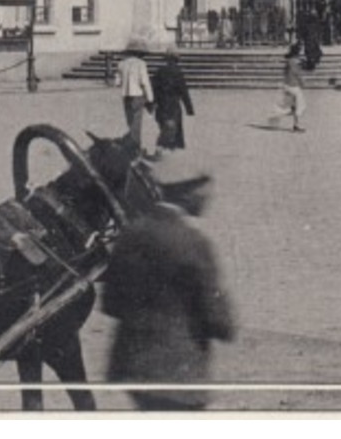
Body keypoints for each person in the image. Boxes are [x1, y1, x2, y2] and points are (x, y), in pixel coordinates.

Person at [102, 167, 235, 411]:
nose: (209, 197)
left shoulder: (131, 233)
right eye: (204, 189)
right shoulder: (194, 243)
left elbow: (111, 304)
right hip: (178, 375)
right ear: (188, 193)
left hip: (133, 368)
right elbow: (220, 322)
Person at [151, 49, 195, 152]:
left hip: (161, 103)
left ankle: (165, 146)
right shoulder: (178, 72)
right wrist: (189, 108)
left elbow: (154, 88)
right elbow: (184, 91)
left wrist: (151, 104)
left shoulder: (159, 71)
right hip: (174, 103)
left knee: (163, 124)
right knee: (174, 125)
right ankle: (169, 146)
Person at [116, 50, 155, 156]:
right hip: (137, 95)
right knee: (136, 124)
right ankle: (135, 149)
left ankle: (131, 147)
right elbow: (145, 82)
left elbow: (117, 82)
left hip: (126, 96)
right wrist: (150, 99)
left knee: (130, 122)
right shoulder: (141, 64)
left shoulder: (121, 64)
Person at [273, 42, 307, 132]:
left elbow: (285, 72)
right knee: (301, 105)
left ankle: (291, 111)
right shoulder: (295, 62)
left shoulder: (288, 61)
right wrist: (302, 82)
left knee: (295, 105)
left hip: (287, 85)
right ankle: (296, 124)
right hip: (294, 86)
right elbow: (297, 74)